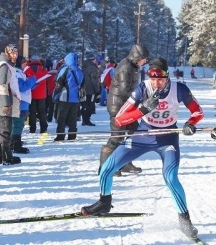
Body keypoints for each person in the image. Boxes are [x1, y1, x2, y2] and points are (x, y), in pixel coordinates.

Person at [81, 57, 204, 239]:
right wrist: (142, 110)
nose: (156, 83)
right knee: (106, 169)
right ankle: (104, 202)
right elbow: (120, 118)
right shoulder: (143, 89)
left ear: (167, 76)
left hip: (167, 138)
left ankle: (184, 221)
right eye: (153, 79)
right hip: (143, 136)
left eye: (160, 79)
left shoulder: (179, 89)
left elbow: (198, 111)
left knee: (170, 178)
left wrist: (190, 123)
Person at [99, 44, 149, 176]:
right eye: (144, 59)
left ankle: (125, 162)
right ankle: (106, 165)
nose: (145, 62)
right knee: (117, 136)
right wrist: (140, 98)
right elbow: (124, 89)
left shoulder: (134, 66)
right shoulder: (126, 67)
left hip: (127, 106)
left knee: (134, 133)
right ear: (137, 57)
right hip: (118, 106)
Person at [0, 44, 21, 165]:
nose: (15, 55)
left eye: (16, 53)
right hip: (4, 102)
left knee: (0, 129)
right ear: (7, 53)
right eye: (13, 53)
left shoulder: (6, 65)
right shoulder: (4, 66)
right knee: (5, 130)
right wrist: (6, 104)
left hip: (2, 101)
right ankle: (6, 156)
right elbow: (2, 85)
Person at [52, 52, 84, 141]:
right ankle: (72, 135)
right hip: (76, 98)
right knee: (73, 118)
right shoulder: (80, 70)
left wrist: (55, 96)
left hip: (64, 97)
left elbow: (59, 84)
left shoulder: (65, 69)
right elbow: (82, 84)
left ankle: (60, 135)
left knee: (61, 117)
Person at [11, 56, 37, 154]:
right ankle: (15, 145)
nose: (26, 64)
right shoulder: (16, 73)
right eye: (24, 62)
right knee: (17, 124)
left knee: (19, 124)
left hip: (22, 102)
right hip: (19, 102)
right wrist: (32, 80)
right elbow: (21, 87)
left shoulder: (19, 73)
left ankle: (15, 142)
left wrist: (33, 83)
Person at [24, 56, 49, 133]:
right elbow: (47, 79)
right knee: (42, 111)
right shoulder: (43, 69)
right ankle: (43, 128)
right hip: (42, 94)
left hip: (31, 94)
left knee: (32, 112)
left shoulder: (27, 69)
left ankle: (32, 128)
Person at [81, 53, 100, 126]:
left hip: (83, 89)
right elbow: (94, 80)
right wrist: (97, 90)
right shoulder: (92, 67)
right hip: (91, 89)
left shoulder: (83, 66)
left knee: (84, 105)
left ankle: (84, 120)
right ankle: (87, 120)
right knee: (90, 105)